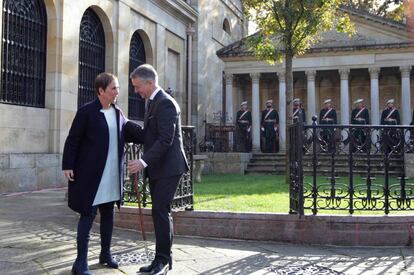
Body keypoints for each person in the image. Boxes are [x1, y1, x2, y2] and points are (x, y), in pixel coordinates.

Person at [123, 64, 189, 275]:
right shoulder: (152, 103)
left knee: (160, 211)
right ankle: (161, 259)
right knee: (160, 212)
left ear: (150, 82)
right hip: (159, 167)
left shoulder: (166, 103)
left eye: (137, 86)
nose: (136, 91)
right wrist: (123, 124)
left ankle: (162, 261)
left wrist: (142, 162)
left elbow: (165, 140)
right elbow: (147, 135)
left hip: (170, 167)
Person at [62, 73, 126, 274]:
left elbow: (129, 132)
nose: (117, 92)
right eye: (113, 88)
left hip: (111, 175)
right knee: (87, 216)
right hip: (91, 175)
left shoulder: (118, 113)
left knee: (108, 215)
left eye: (117, 88)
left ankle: (105, 254)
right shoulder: (86, 112)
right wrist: (67, 165)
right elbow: (73, 140)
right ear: (101, 91)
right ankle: (80, 262)